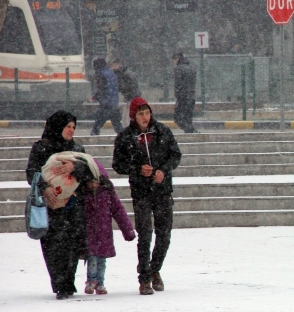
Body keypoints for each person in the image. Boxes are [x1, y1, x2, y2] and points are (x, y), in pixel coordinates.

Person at [112, 97, 182, 295]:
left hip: (162, 191)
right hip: (141, 192)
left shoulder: (162, 131)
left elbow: (175, 155)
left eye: (147, 112)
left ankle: (155, 269)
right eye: (140, 113)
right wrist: (137, 169)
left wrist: (164, 171)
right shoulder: (126, 137)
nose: (145, 117)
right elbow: (118, 164)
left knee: (164, 234)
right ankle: (144, 277)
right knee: (145, 235)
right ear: (133, 116)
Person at [26, 111, 96, 300]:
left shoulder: (77, 149)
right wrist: (45, 188)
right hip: (51, 206)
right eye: (68, 126)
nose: (71, 130)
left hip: (73, 204)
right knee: (53, 245)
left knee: (72, 244)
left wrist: (75, 168)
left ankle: (68, 282)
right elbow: (32, 172)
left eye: (73, 127)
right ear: (58, 126)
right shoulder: (41, 148)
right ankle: (59, 282)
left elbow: (91, 172)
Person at [83, 160, 136, 295]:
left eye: (95, 181)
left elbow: (119, 211)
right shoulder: (83, 194)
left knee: (101, 259)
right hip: (89, 232)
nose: (93, 185)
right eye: (90, 181)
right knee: (92, 258)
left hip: (103, 233)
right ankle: (90, 281)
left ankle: (100, 282)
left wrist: (127, 230)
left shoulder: (107, 193)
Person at [90, 57, 124, 136]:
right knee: (116, 123)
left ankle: (94, 133)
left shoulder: (100, 74)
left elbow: (101, 89)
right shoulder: (111, 73)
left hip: (106, 102)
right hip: (114, 102)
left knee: (100, 119)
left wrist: (95, 97)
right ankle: (124, 136)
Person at [111, 58, 141, 128]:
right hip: (130, 98)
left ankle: (130, 132)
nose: (113, 67)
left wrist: (130, 98)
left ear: (120, 65)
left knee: (127, 117)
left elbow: (131, 87)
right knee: (125, 117)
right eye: (112, 65)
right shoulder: (123, 73)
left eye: (115, 65)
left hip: (131, 98)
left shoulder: (125, 74)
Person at [172, 52, 197, 133]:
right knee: (188, 116)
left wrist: (177, 94)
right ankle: (191, 130)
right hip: (191, 95)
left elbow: (178, 83)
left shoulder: (178, 69)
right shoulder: (192, 67)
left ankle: (189, 130)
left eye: (174, 60)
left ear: (177, 58)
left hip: (183, 96)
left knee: (177, 117)